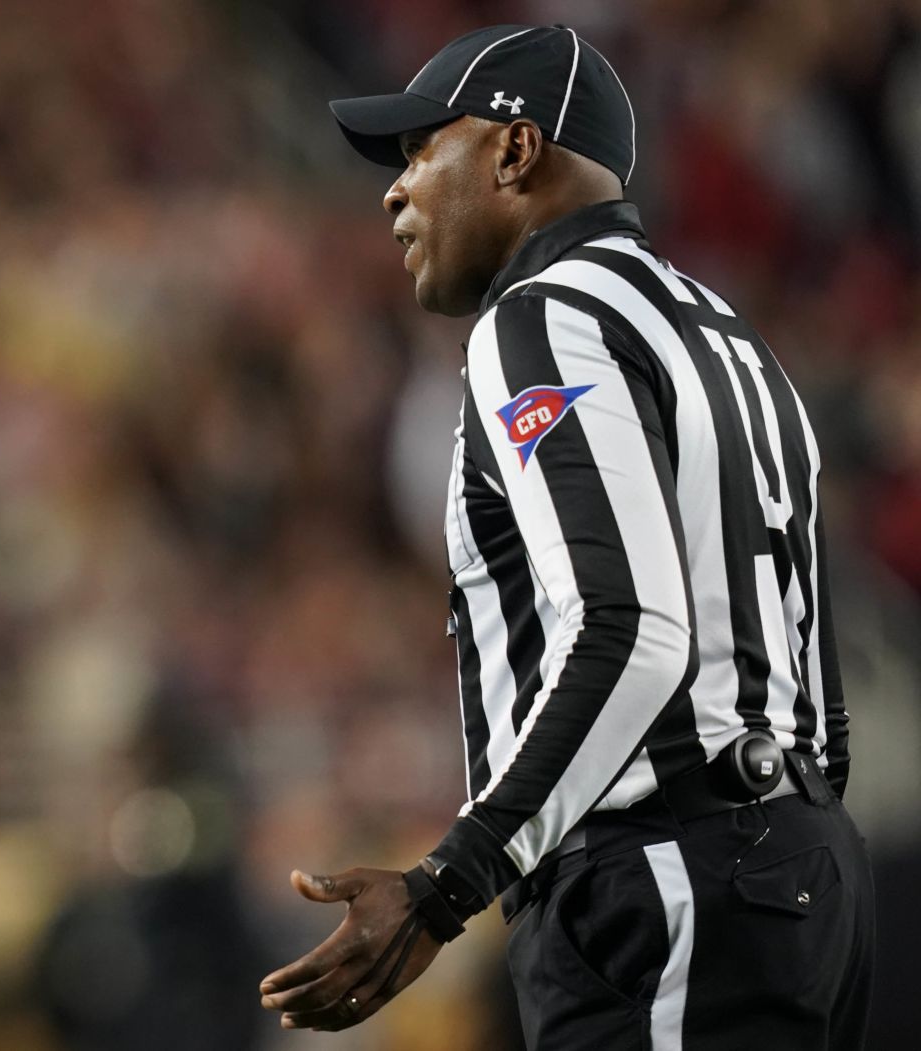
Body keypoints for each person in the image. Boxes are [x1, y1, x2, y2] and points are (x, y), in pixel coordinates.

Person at [260, 25, 874, 1049]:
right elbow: (820, 682)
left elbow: (630, 624)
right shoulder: (728, 333)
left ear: (512, 148)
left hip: (665, 875)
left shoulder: (540, 318)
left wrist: (445, 883)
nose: (393, 191)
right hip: (795, 873)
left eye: (420, 149)